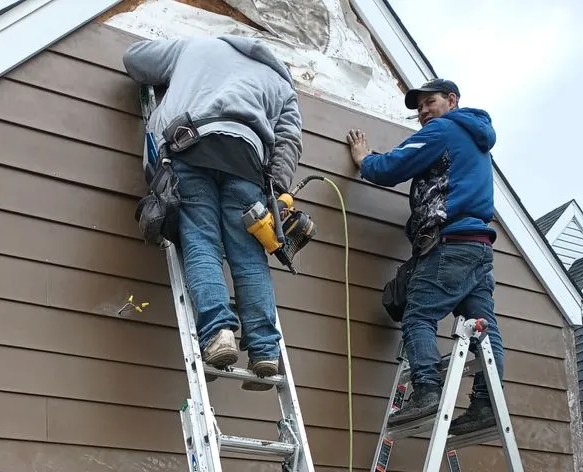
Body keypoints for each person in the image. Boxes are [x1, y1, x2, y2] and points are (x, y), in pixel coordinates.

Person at [124, 36, 302, 390]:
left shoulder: (195, 46)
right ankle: (265, 350)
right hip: (247, 163)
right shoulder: (281, 83)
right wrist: (277, 191)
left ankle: (219, 333)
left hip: (192, 145)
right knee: (250, 257)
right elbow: (289, 140)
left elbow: (134, 59)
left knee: (201, 242)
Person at [346, 78, 505, 433]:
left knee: (418, 315)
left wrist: (364, 159)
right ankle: (487, 404)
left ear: (452, 100)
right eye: (419, 108)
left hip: (449, 244)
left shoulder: (443, 130)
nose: (423, 112)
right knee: (483, 327)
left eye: (429, 102)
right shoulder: (477, 140)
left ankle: (427, 391)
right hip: (478, 248)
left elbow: (392, 167)